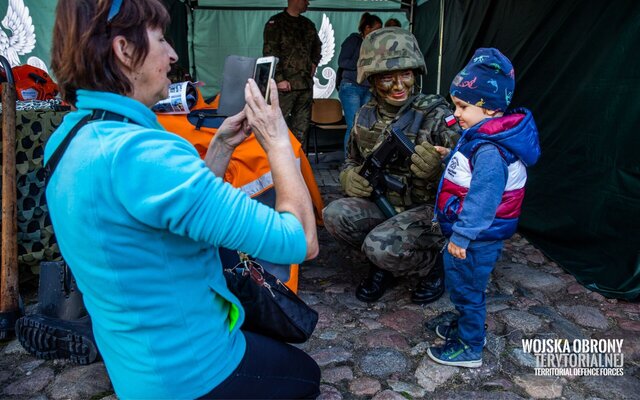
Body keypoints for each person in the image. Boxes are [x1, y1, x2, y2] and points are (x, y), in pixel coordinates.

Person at [38, 0, 321, 398]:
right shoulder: (146, 155)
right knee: (306, 376)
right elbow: (300, 241)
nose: (172, 55)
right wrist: (276, 141)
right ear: (124, 50)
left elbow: (163, 215)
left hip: (135, 368)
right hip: (193, 371)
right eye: (160, 39)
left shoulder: (68, 138)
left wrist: (220, 147)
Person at [322, 28, 460, 304]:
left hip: (428, 212)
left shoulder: (436, 114)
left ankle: (432, 266)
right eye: (387, 78)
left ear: (416, 75)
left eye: (406, 75)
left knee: (378, 245)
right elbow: (352, 159)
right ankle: (386, 264)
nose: (399, 86)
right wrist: (348, 176)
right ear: (372, 80)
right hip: (385, 204)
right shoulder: (364, 115)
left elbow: (470, 167)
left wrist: (441, 166)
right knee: (334, 215)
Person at [427, 48, 541, 367]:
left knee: (467, 289)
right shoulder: (482, 138)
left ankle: (471, 344)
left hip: (475, 238)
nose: (456, 113)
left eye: (462, 106)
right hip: (475, 236)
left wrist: (462, 236)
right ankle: (466, 323)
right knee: (463, 286)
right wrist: (449, 155)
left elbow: (484, 197)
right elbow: (473, 171)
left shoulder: (490, 151)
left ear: (488, 109)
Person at [263, 0, 322, 143]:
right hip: (285, 86)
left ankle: (296, 162)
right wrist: (279, 79)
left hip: (305, 85)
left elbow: (317, 46)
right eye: (305, 0)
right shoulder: (276, 23)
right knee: (276, 125)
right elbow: (270, 53)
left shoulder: (308, 25)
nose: (308, 3)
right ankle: (272, 163)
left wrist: (314, 62)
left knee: (301, 128)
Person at [337, 12, 382, 154]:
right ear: (367, 28)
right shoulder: (353, 40)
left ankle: (360, 160)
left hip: (367, 88)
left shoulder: (376, 45)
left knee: (365, 126)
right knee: (353, 126)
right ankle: (348, 162)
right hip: (351, 87)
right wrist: (363, 63)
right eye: (377, 28)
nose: (379, 32)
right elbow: (342, 62)